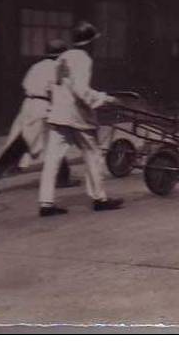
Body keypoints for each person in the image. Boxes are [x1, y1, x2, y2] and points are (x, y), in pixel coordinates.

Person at [37, 21, 124, 217]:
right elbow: (81, 89)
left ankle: (46, 202)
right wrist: (104, 99)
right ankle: (99, 198)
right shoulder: (83, 59)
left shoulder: (62, 58)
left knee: (52, 159)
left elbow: (54, 86)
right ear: (90, 42)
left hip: (58, 113)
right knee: (93, 154)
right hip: (76, 115)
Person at [0, 39, 78, 194]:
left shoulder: (36, 66)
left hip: (29, 105)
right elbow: (60, 91)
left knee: (46, 140)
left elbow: (25, 85)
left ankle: (63, 177)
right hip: (44, 106)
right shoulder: (59, 67)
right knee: (27, 143)